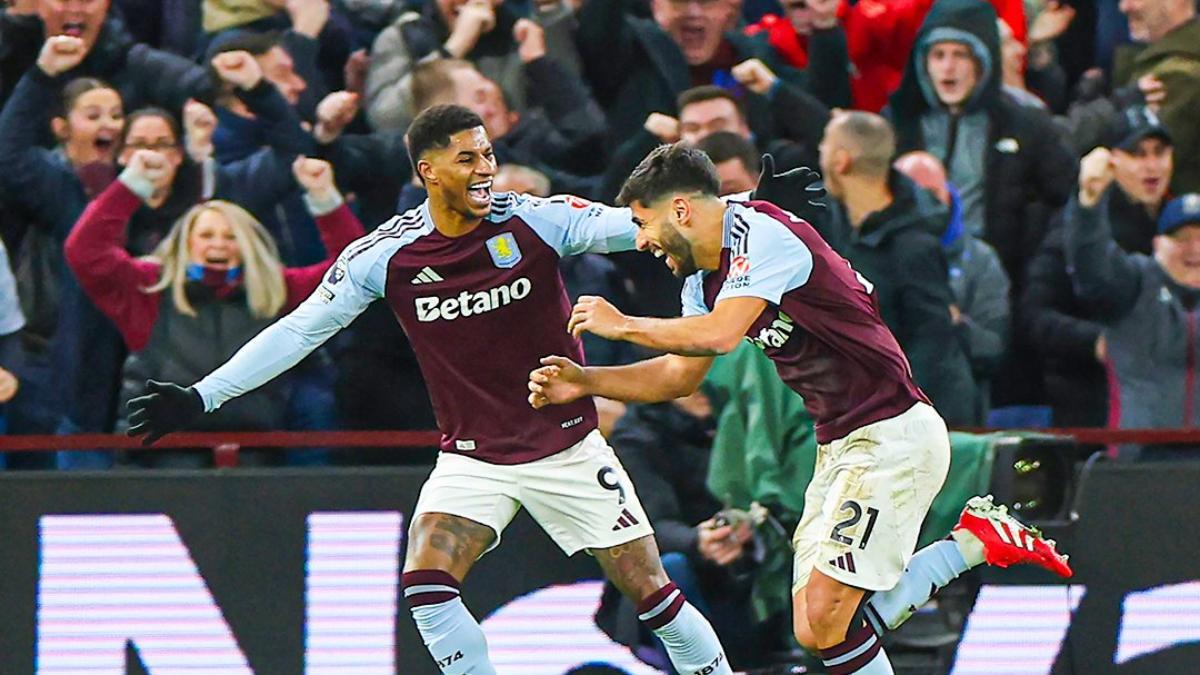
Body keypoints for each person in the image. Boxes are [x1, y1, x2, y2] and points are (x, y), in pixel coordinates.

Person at [120, 105, 766, 675]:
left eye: (488, 153)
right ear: (428, 171)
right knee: (427, 587)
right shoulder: (387, 254)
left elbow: (645, 223)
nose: (486, 168)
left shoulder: (539, 220)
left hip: (567, 445)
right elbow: (299, 330)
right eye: (468, 158)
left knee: (650, 590)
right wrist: (204, 395)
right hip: (473, 458)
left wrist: (756, 212)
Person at [527, 143, 1071, 674]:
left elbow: (719, 336)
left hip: (891, 434)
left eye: (643, 225)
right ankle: (977, 539)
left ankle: (970, 546)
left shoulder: (761, 234)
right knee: (816, 630)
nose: (642, 243)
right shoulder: (702, 273)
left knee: (830, 620)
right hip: (837, 446)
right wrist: (587, 381)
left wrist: (622, 324)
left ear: (681, 210)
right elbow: (678, 374)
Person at [65, 154, 362, 467]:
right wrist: (131, 186)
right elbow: (84, 251)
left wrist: (325, 199)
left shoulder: (275, 291)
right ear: (186, 243)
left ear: (248, 246)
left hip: (256, 457)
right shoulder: (150, 289)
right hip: (158, 459)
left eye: (231, 237)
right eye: (207, 235)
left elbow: (354, 271)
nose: (219, 245)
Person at [815, 111, 975, 426]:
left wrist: (895, 414)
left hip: (918, 418)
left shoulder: (913, 246)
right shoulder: (835, 231)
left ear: (841, 161)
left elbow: (931, 343)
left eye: (825, 146)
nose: (820, 154)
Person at [1024, 107, 1173, 427]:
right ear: (1111, 160)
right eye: (1137, 153)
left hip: (1167, 403)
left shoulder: (1180, 228)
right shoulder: (1077, 225)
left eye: (1159, 153)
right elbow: (1036, 315)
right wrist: (1099, 342)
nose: (1151, 166)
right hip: (1090, 402)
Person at [1064, 145, 1200, 460]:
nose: (1193, 249)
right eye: (1181, 238)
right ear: (1157, 244)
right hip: (1138, 462)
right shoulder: (1134, 282)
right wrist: (1089, 205)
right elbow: (1091, 266)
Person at [894, 150, 1010, 424]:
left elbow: (993, 347)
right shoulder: (868, 254)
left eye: (933, 194)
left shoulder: (981, 261)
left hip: (955, 419)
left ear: (949, 193)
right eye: (913, 193)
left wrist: (955, 323)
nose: (924, 205)